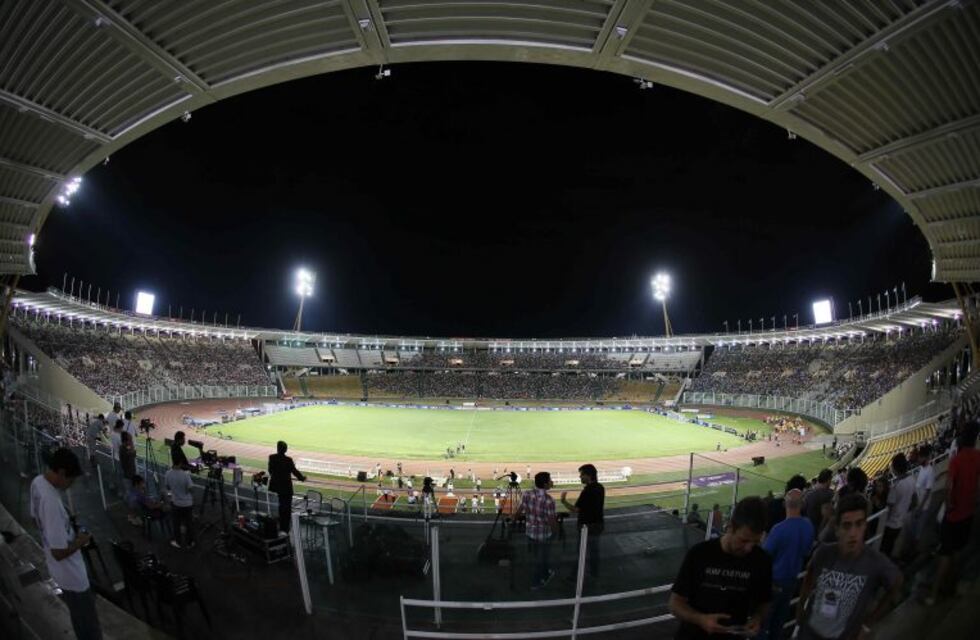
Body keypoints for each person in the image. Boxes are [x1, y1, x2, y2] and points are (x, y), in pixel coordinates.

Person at [796, 494, 903, 640]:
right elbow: (810, 572)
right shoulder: (823, 553)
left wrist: (868, 624)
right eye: (847, 526)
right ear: (837, 529)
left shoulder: (875, 562)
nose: (853, 533)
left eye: (859, 524)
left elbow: (897, 582)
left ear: (865, 525)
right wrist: (801, 604)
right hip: (808, 634)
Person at [669, 496, 771, 639]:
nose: (749, 548)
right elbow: (675, 604)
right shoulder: (699, 554)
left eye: (756, 542)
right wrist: (701, 619)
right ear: (730, 527)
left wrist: (757, 618)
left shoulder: (762, 560)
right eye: (743, 540)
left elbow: (764, 602)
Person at [30, 448, 102, 640]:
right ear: (61, 472)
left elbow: (34, 519)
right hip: (72, 576)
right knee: (89, 625)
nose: (71, 485)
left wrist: (59, 527)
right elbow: (59, 552)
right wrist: (80, 541)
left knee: (79, 619)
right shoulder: (51, 502)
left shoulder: (37, 482)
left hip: (59, 572)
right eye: (71, 479)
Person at [928, 421, 980, 605]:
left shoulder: (956, 460)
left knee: (945, 554)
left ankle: (933, 595)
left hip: (954, 516)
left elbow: (949, 487)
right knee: (958, 553)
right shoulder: (978, 456)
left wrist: (949, 504)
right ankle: (953, 588)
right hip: (968, 514)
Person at [759, 489, 814, 640]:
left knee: (763, 624)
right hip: (792, 581)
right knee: (779, 623)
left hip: (774, 583)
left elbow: (764, 556)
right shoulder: (808, 525)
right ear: (802, 504)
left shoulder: (778, 529)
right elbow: (807, 551)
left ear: (784, 504)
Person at [560, 463, 605, 579]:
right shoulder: (600, 487)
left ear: (588, 475)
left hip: (586, 527)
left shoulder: (587, 491)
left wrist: (563, 501)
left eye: (581, 475)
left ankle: (575, 577)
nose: (580, 477)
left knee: (581, 552)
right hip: (598, 524)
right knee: (594, 550)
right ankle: (594, 574)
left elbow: (575, 510)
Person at [516, 471, 559, 590]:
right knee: (542, 557)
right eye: (550, 480)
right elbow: (552, 521)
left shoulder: (527, 494)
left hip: (530, 532)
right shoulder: (549, 500)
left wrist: (514, 519)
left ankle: (545, 572)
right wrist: (556, 533)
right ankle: (537, 582)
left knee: (537, 556)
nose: (552, 482)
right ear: (545, 484)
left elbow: (519, 510)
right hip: (544, 535)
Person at [268, 440, 306, 534]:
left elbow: (270, 471)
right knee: (286, 509)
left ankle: (279, 527)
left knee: (279, 507)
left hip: (276, 487)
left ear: (278, 448)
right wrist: (302, 478)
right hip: (286, 488)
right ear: (285, 450)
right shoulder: (288, 460)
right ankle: (285, 529)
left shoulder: (272, 457)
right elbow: (294, 471)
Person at [880, 453, 914, 557]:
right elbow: (915, 501)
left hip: (891, 524)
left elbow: (888, 509)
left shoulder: (896, 487)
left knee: (884, 548)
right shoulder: (912, 479)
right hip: (900, 522)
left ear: (895, 468)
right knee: (890, 546)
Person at [165, 461, 195, 549]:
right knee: (189, 523)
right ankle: (190, 543)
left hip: (176, 503)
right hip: (187, 503)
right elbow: (191, 489)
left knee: (176, 523)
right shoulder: (185, 475)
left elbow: (168, 487)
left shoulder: (168, 473)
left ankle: (178, 542)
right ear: (180, 463)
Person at [803, 469, 834, 534]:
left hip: (808, 529)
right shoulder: (831, 494)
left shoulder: (808, 494)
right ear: (828, 480)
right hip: (822, 531)